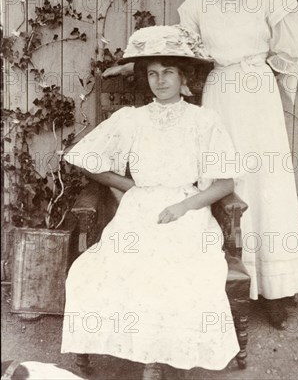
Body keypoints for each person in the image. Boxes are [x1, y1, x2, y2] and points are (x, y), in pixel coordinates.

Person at [61, 25, 240, 379]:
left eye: (168, 72)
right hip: (139, 208)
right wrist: (129, 186)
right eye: (153, 73)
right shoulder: (132, 119)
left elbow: (224, 183)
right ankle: (147, 355)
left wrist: (183, 207)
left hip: (187, 209)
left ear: (183, 76)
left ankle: (157, 359)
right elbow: (85, 158)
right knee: (98, 270)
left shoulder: (204, 120)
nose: (160, 81)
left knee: (177, 273)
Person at [177, 0, 298, 322]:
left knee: (266, 184)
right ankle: (222, 282)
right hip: (217, 95)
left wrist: (262, 67)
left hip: (257, 95)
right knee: (222, 178)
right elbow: (187, 54)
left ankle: (275, 290)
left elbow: (297, 44)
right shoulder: (196, 4)